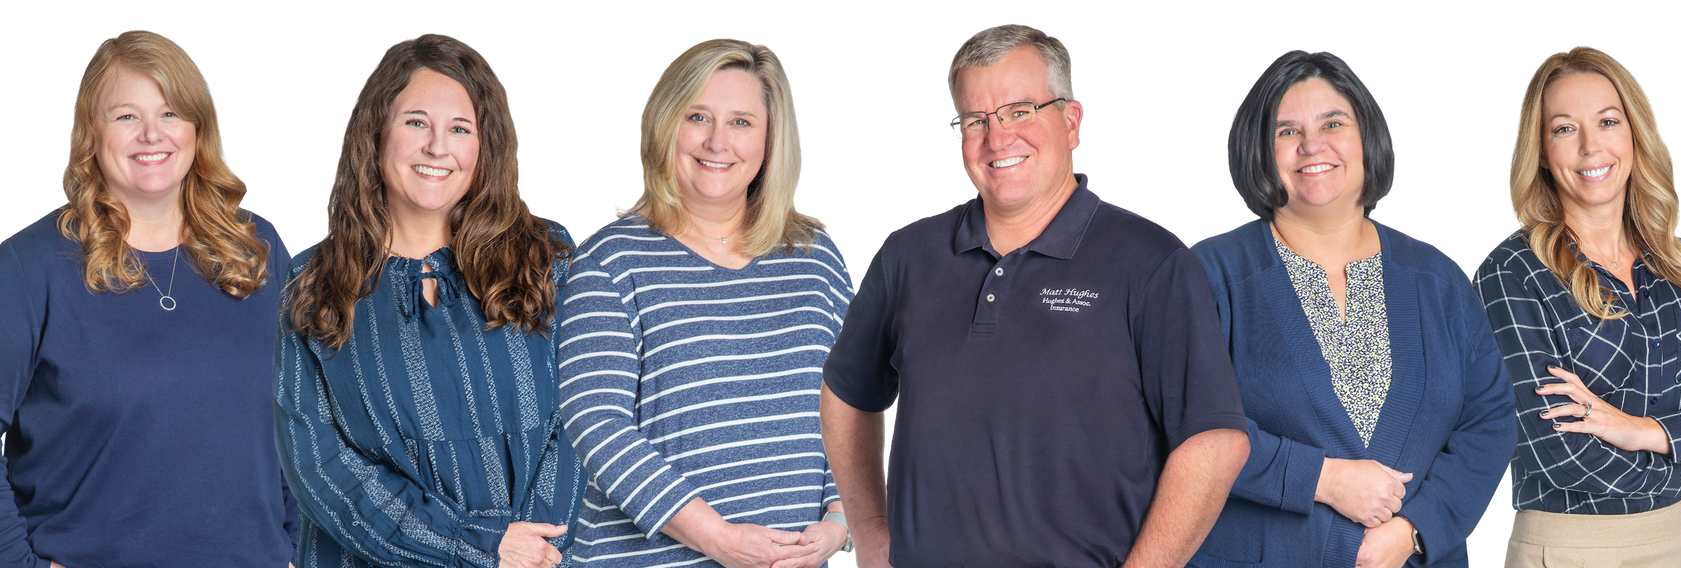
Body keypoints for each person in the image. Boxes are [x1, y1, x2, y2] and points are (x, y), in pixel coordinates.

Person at [819, 24, 1251, 567]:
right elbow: (846, 392)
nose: (997, 139)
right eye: (976, 120)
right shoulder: (908, 256)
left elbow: (1215, 441)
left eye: (1021, 111)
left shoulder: (1151, 262)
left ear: (1071, 122)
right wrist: (873, 534)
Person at [1189, 50, 1517, 568]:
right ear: (1259, 151)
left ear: (1366, 138)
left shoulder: (1436, 279)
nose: (1311, 145)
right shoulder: (1209, 275)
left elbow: (1491, 417)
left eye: (1332, 123)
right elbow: (1185, 421)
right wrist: (1321, 479)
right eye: (1286, 131)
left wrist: (1414, 531)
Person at [275, 33, 584, 568]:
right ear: (376, 134)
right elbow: (320, 469)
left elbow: (587, 418)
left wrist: (531, 548)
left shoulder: (546, 259)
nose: (437, 147)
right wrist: (478, 546)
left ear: (484, 146)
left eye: (459, 129)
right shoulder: (313, 281)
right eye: (416, 122)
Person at [0, 30, 296, 567]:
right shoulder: (31, 266)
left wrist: (297, 544)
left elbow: (301, 415)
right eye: (126, 116)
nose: (151, 135)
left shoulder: (258, 250)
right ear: (92, 131)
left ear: (197, 127)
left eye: (170, 113)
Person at [557, 38, 851, 568]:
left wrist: (839, 521)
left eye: (741, 122)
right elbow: (595, 423)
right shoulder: (609, 261)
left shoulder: (815, 259)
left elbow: (851, 403)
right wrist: (716, 538)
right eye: (698, 117)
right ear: (666, 126)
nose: (718, 141)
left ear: (770, 139)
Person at [1476, 45, 1681, 568]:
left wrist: (1640, 430)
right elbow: (1554, 452)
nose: (1589, 147)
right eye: (1563, 129)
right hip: (1572, 547)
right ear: (1539, 150)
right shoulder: (1511, 276)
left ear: (1634, 134)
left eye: (1607, 121)